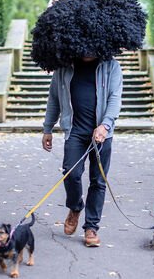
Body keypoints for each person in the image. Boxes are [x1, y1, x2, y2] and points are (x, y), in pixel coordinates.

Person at [41, 55, 123, 247]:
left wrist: (106, 125)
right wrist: (47, 128)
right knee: (71, 173)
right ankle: (75, 207)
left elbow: (115, 97)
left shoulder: (111, 66)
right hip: (74, 132)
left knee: (98, 181)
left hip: (102, 133)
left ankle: (91, 227)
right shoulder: (63, 67)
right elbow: (54, 98)